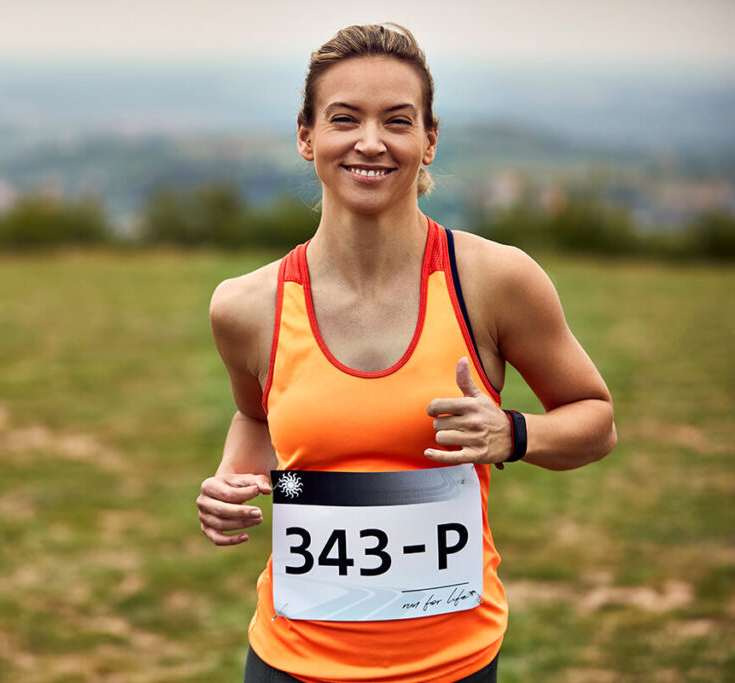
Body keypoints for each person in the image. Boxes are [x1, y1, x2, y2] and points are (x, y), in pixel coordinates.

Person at [196, 22, 617, 683]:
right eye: (344, 119)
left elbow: (597, 419)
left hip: (452, 665)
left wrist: (513, 433)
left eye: (397, 120)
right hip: (290, 660)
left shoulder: (494, 280)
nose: (371, 141)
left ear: (429, 139)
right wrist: (232, 481)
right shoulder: (246, 306)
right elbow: (255, 419)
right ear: (306, 136)